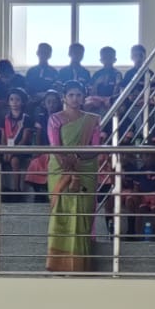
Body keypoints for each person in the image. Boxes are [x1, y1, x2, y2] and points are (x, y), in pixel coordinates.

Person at [43, 82, 103, 273]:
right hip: (60, 169)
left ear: (84, 97)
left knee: (83, 213)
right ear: (64, 97)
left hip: (85, 168)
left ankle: (81, 263)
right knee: (61, 213)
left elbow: (95, 148)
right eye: (71, 95)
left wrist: (77, 158)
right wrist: (67, 164)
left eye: (78, 95)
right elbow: (55, 146)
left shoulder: (92, 120)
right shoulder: (55, 119)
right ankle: (58, 263)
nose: (75, 98)